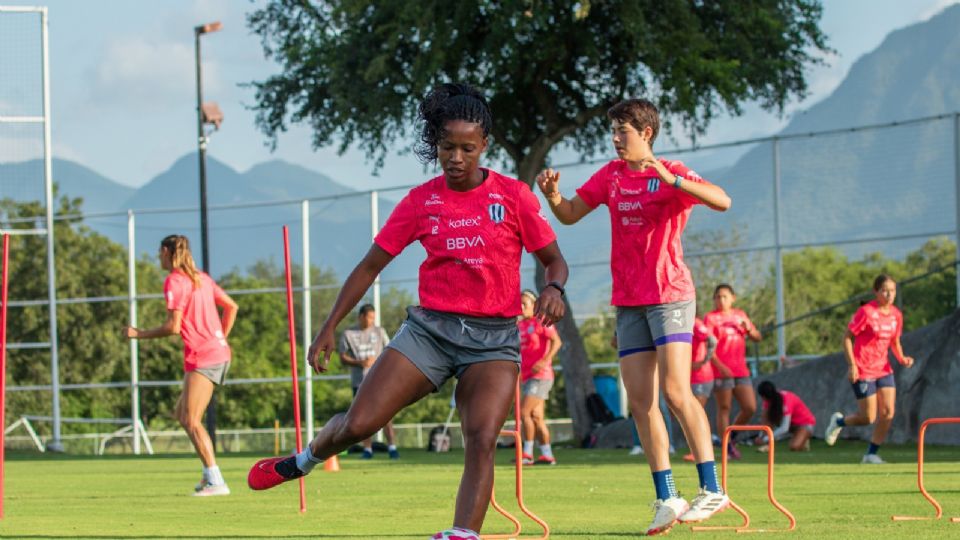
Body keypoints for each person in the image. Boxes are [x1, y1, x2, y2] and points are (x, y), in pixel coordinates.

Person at [246, 83, 568, 540]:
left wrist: (554, 287)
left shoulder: (513, 196)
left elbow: (554, 259)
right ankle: (303, 460)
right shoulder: (422, 201)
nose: (456, 157)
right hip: (430, 333)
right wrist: (327, 327)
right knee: (359, 424)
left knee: (481, 437)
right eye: (446, 147)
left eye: (467, 148)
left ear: (485, 146)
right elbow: (370, 266)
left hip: (494, 339)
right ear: (435, 144)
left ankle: (462, 534)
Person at [537, 98, 732, 535]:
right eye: (614, 132)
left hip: (670, 297)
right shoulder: (611, 175)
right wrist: (552, 196)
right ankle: (667, 497)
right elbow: (569, 214)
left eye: (622, 131)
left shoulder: (672, 171)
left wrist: (673, 180)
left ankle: (713, 488)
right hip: (628, 301)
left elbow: (723, 201)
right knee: (642, 402)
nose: (615, 139)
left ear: (645, 133)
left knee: (677, 393)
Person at [123, 234, 238, 496]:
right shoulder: (201, 278)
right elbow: (232, 306)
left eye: (159, 253)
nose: (158, 258)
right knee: (182, 414)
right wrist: (220, 337)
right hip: (214, 352)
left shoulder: (175, 281)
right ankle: (208, 474)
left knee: (190, 419)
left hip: (203, 356)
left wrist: (137, 334)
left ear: (166, 251)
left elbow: (173, 327)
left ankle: (216, 480)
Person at [824, 274, 914, 464]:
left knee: (888, 412)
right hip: (863, 369)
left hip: (884, 369)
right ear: (876, 292)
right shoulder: (866, 312)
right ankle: (839, 422)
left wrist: (902, 358)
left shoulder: (896, 315)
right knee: (868, 418)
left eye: (893, 291)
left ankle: (871, 454)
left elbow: (895, 342)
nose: (889, 295)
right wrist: (852, 365)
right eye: (884, 291)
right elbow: (847, 338)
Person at [704, 284, 761, 459]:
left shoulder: (740, 315)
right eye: (718, 297)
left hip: (741, 370)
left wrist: (749, 328)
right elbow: (707, 347)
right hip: (721, 370)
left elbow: (757, 337)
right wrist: (721, 367)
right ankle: (726, 447)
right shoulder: (711, 318)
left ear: (733, 298)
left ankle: (731, 438)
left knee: (750, 407)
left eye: (725, 296)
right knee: (724, 407)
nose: (721, 300)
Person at [339, 303, 398, 459]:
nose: (372, 320)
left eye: (374, 317)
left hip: (380, 381)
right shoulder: (349, 334)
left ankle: (392, 447)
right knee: (362, 417)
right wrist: (360, 363)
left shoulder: (380, 332)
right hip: (359, 382)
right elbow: (342, 357)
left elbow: (391, 350)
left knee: (386, 414)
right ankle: (367, 450)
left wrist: (379, 363)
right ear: (361, 316)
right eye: (370, 317)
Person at [518, 290, 563, 466]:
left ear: (534, 305)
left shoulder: (541, 321)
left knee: (524, 413)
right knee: (536, 417)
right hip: (527, 376)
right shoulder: (520, 325)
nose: (522, 308)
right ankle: (547, 454)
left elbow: (557, 342)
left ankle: (527, 453)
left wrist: (544, 361)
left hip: (541, 376)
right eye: (519, 304)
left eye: (525, 304)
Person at [682, 317, 718, 462]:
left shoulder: (695, 322)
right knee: (692, 413)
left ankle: (701, 452)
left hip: (701, 377)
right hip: (689, 377)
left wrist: (704, 361)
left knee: (695, 414)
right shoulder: (680, 321)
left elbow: (712, 340)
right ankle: (701, 449)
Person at [754, 381, 814, 452]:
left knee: (794, 447)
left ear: (764, 396)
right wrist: (760, 436)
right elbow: (765, 421)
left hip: (804, 424)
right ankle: (768, 446)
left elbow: (785, 428)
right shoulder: (768, 401)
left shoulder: (786, 400)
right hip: (791, 425)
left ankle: (804, 439)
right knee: (765, 414)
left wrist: (765, 439)